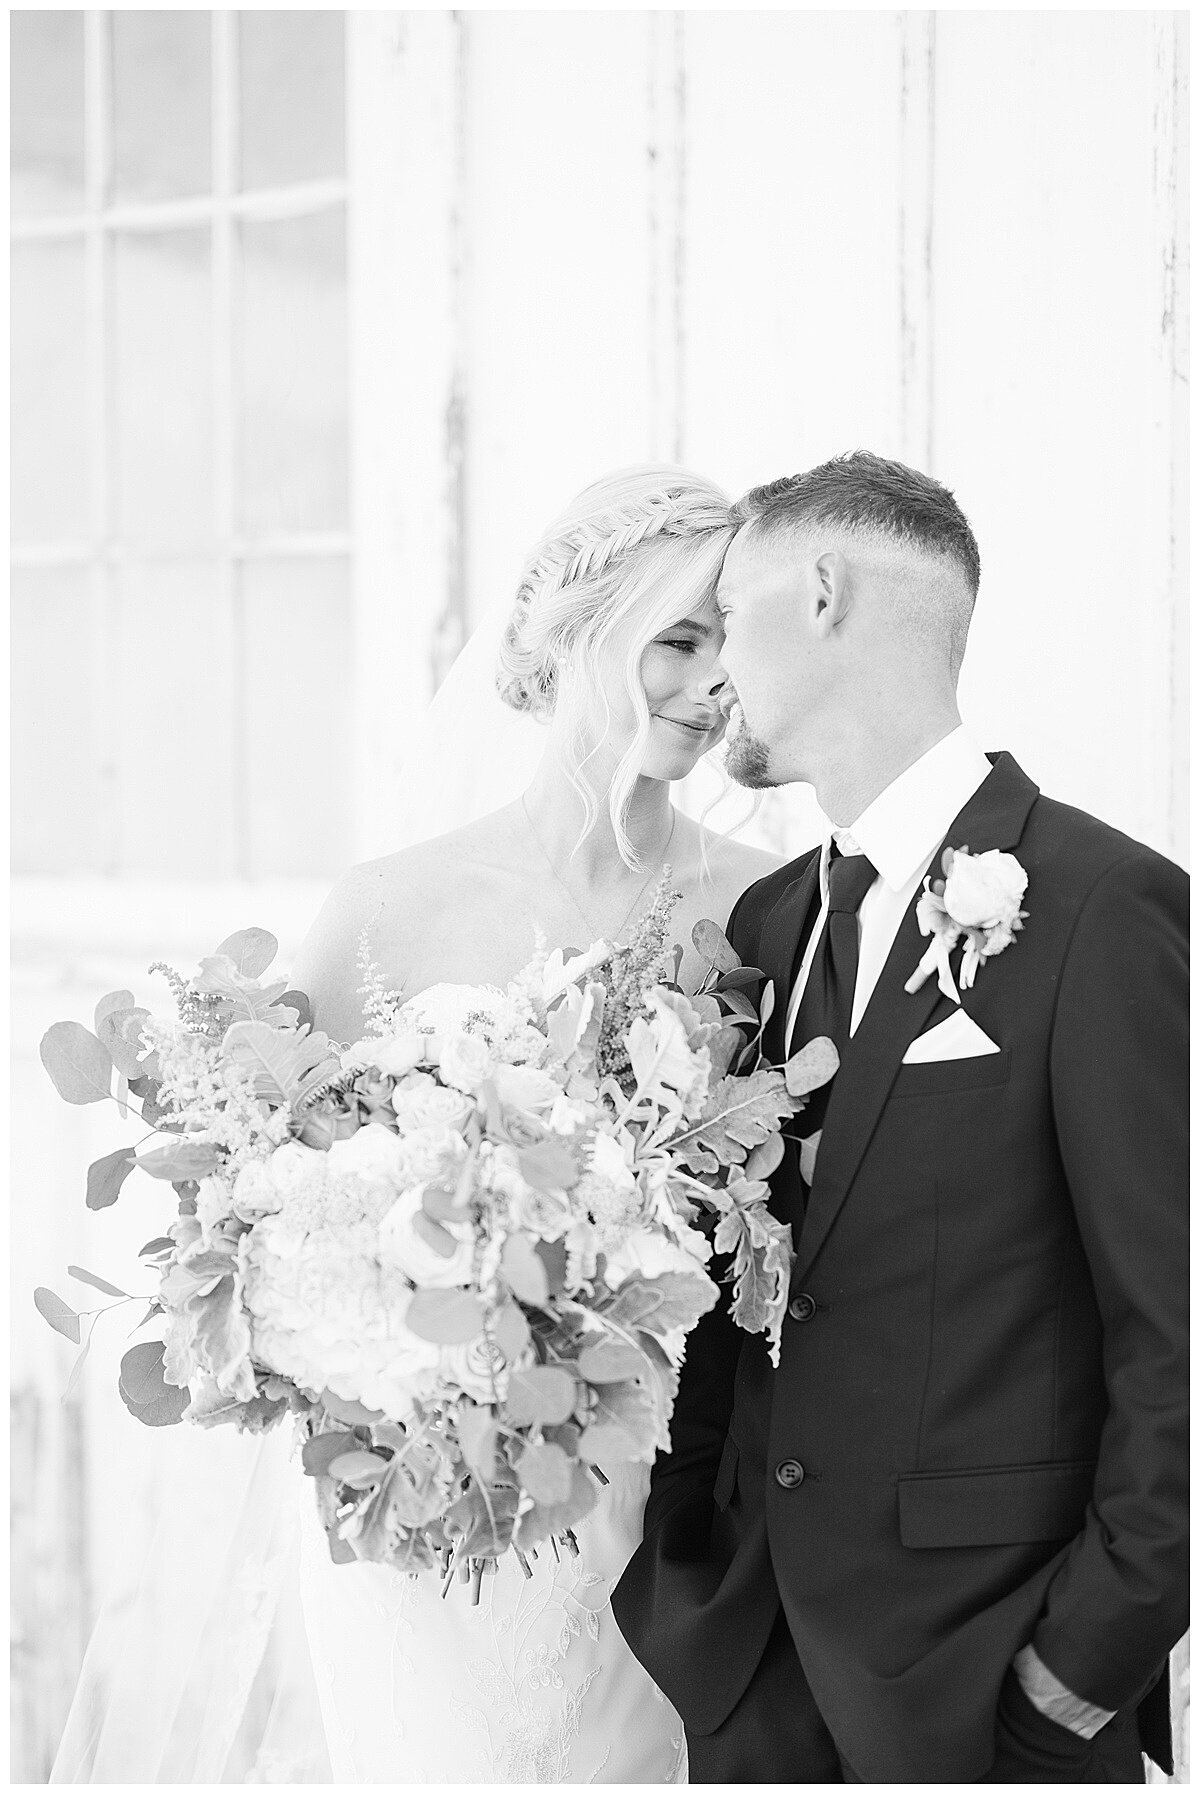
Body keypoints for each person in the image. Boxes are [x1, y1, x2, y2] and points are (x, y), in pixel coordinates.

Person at [611, 451, 1188, 1782]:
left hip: (985, 1688)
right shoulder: (771, 922)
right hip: (755, 1669)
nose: (713, 678)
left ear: (820, 592)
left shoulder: (1106, 908)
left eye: (728, 613)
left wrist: (1083, 1667)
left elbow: (1179, 1329)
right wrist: (688, 1540)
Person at [285, 464, 780, 1782]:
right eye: (679, 639)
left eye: (733, 644)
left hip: (662, 1508)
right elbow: (276, 1226)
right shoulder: (383, 915)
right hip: (432, 1513)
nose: (712, 682)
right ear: (570, 634)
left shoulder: (770, 914)